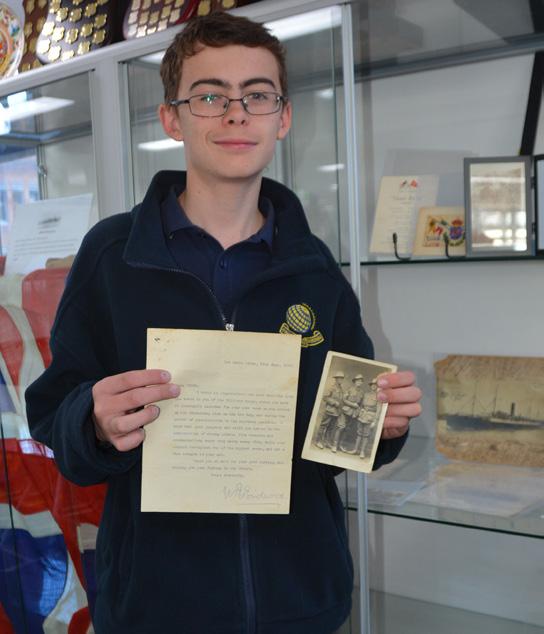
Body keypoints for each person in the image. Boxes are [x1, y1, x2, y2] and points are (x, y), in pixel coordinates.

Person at [25, 12, 422, 634]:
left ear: (282, 118)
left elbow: (340, 442)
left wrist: (383, 424)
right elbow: (53, 413)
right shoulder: (112, 256)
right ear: (172, 118)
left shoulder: (313, 266)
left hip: (301, 601)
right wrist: (94, 422)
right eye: (210, 96)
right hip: (157, 606)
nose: (237, 115)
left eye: (257, 95)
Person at [315, 371, 345, 449]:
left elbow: (341, 400)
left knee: (331, 428)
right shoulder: (331, 387)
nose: (341, 380)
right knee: (323, 426)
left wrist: (340, 409)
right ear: (336, 379)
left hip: (336, 412)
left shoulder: (341, 389)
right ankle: (318, 441)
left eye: (342, 378)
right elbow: (325, 397)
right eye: (339, 378)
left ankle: (326, 442)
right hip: (329, 410)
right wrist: (334, 402)